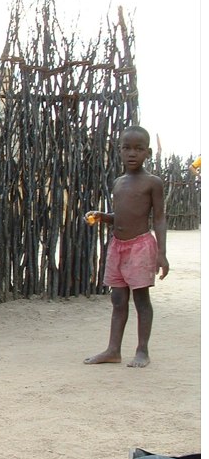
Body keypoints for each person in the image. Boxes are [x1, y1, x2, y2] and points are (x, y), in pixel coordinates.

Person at [84, 125, 168, 368]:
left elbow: (159, 218)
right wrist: (103, 216)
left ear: (148, 153)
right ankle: (113, 350)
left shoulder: (153, 183)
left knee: (141, 299)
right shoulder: (118, 183)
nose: (132, 153)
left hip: (140, 246)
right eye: (127, 148)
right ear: (119, 151)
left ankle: (142, 350)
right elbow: (121, 216)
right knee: (118, 299)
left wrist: (161, 253)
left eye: (138, 149)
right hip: (117, 246)